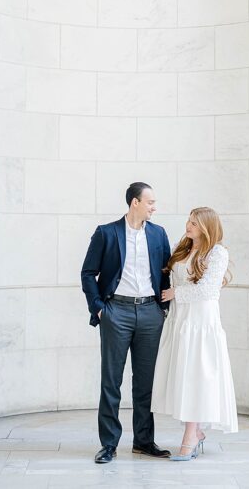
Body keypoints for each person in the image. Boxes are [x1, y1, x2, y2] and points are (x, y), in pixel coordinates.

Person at [80, 182, 173, 464]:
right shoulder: (106, 233)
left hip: (149, 313)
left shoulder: (158, 234)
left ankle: (143, 442)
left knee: (145, 384)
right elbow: (88, 273)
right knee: (112, 381)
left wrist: (163, 308)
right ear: (135, 202)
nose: (154, 207)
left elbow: (166, 272)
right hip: (115, 311)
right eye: (150, 202)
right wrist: (99, 309)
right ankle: (108, 444)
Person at [151, 207, 238, 460]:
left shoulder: (217, 252)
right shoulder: (184, 249)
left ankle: (190, 436)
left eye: (195, 223)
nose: (188, 226)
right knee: (185, 375)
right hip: (180, 320)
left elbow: (209, 290)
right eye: (189, 221)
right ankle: (196, 431)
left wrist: (177, 293)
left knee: (197, 375)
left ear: (207, 227)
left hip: (201, 323)